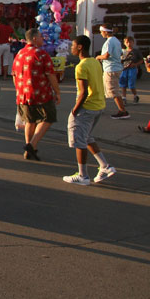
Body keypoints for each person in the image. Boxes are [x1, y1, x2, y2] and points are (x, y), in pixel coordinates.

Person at [61, 36, 118, 186]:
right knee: (87, 137)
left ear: (79, 47)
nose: (71, 48)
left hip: (86, 108)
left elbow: (83, 92)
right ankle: (105, 166)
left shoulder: (81, 66)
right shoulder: (95, 62)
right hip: (99, 105)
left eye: (73, 45)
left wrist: (74, 110)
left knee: (79, 140)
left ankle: (82, 175)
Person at [13, 28, 60, 161]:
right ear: (34, 38)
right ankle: (32, 145)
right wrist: (57, 92)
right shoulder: (42, 54)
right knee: (48, 117)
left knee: (30, 120)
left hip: (23, 94)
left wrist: (18, 89)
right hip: (41, 93)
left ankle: (30, 149)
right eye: (40, 36)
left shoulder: (19, 54)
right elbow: (51, 75)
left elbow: (14, 75)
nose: (42, 39)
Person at [95, 24, 129, 119]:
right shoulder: (116, 41)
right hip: (115, 67)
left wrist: (98, 57)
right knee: (106, 89)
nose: (101, 33)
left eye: (101, 31)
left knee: (113, 91)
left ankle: (123, 111)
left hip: (111, 68)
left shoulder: (109, 42)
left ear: (105, 31)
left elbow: (106, 55)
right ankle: (100, 107)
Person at [119, 36, 142, 105]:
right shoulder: (123, 51)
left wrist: (135, 64)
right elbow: (120, 59)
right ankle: (124, 98)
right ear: (124, 43)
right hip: (124, 69)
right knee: (123, 84)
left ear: (133, 42)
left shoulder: (136, 51)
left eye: (130, 42)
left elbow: (141, 60)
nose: (129, 44)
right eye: (127, 42)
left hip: (132, 69)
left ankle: (135, 96)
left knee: (131, 84)